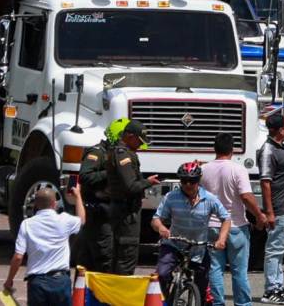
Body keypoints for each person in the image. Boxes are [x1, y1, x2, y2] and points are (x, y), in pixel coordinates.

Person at [203, 132, 268, 306]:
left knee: (215, 269)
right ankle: (242, 304)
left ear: (214, 149)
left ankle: (218, 303)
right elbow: (246, 196)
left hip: (212, 226)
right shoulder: (237, 169)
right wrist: (259, 215)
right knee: (239, 271)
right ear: (232, 150)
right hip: (236, 225)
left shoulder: (204, 170)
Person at [151, 162, 231, 300]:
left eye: (192, 181)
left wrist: (221, 239)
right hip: (174, 244)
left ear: (198, 180)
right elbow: (156, 219)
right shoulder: (171, 197)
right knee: (162, 274)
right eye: (184, 180)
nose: (188, 184)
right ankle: (163, 301)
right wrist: (161, 227)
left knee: (203, 284)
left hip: (198, 247)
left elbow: (226, 219)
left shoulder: (210, 199)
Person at [3, 185, 85, 306]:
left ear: (36, 205)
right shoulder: (64, 220)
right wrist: (78, 196)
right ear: (54, 203)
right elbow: (82, 220)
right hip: (60, 281)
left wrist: (9, 280)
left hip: (37, 283)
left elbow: (18, 257)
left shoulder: (27, 224)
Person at [104, 118, 160, 275]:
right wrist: (148, 182)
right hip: (126, 213)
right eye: (139, 141)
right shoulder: (123, 155)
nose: (141, 145)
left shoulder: (123, 153)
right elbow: (130, 186)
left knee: (123, 254)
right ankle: (120, 293)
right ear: (129, 136)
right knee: (126, 254)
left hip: (125, 210)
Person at [259, 111, 284, 305]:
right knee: (274, 250)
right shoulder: (268, 151)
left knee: (281, 249)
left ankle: (278, 287)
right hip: (278, 209)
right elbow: (265, 182)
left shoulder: (280, 147)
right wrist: (269, 212)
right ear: (281, 130)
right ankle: (270, 289)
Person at [76, 121, 118, 272]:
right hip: (96, 213)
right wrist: (111, 172)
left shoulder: (114, 154)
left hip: (108, 212)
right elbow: (85, 176)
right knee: (103, 257)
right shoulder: (97, 153)